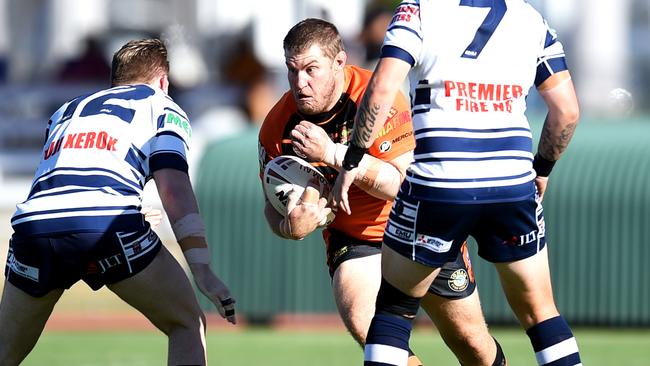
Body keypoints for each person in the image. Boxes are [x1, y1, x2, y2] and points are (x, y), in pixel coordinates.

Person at [332, 1, 582, 366]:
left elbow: (382, 87)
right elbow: (567, 110)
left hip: (440, 182)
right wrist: (541, 170)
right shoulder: (531, 18)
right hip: (512, 184)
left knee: (394, 310)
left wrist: (352, 159)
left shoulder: (418, 10)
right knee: (542, 314)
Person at [259, 18, 506, 366]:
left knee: (471, 343)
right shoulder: (277, 125)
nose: (301, 83)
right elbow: (271, 205)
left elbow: (402, 185)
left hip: (417, 225)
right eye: (292, 71)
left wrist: (331, 153)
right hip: (354, 238)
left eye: (311, 69)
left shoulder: (375, 98)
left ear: (339, 62)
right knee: (369, 327)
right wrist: (289, 226)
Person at [0, 38, 236, 366]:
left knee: (4, 353)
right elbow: (174, 189)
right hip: (104, 226)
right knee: (186, 323)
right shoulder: (161, 104)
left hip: (34, 226)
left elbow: (66, 182)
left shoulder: (66, 110)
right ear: (163, 81)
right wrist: (202, 268)